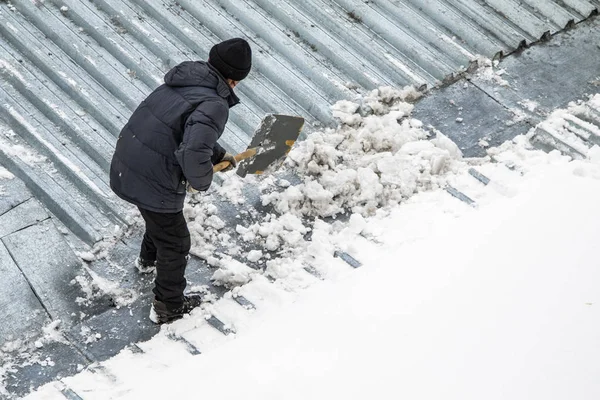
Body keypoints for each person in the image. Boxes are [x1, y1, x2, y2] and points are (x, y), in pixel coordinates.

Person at [110, 38, 252, 324]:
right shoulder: (215, 104)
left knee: (159, 221)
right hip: (153, 177)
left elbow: (181, 128)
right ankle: (168, 306)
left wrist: (219, 155)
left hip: (129, 165)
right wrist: (202, 180)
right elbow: (191, 149)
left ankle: (148, 261)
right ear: (235, 80)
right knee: (175, 241)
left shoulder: (183, 81)